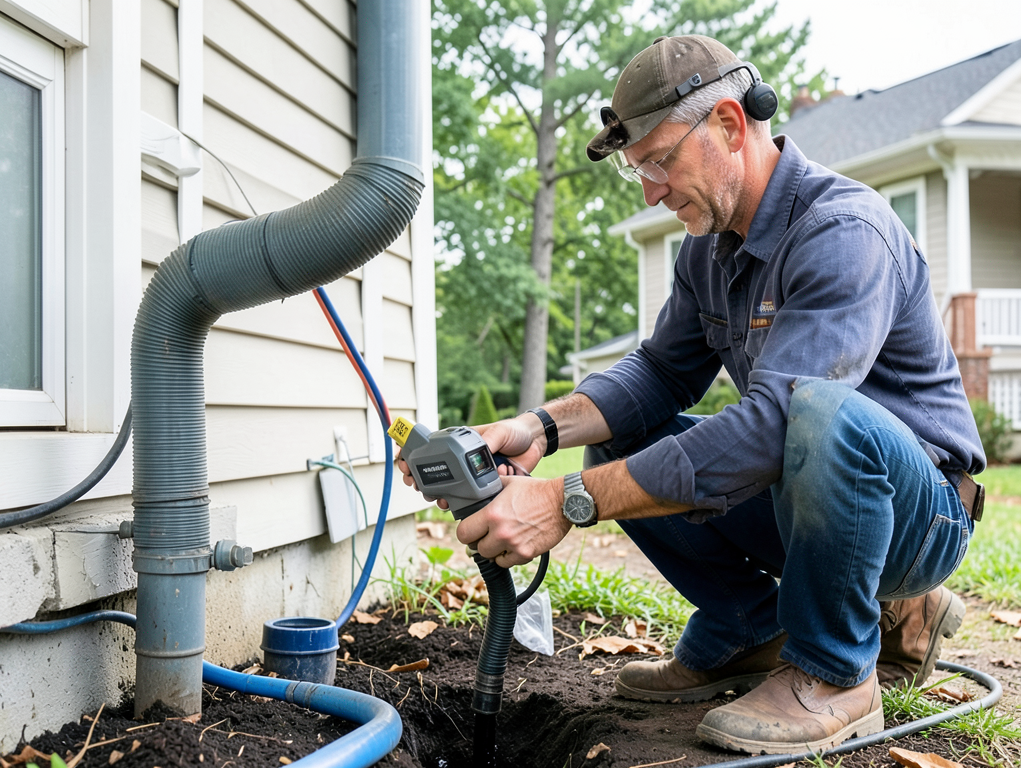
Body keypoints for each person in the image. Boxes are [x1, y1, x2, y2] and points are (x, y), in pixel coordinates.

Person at [401, 35, 986, 755]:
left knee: (817, 411)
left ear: (731, 126)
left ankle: (837, 672)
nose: (650, 189)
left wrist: (563, 500)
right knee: (622, 426)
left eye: (659, 160)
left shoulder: (843, 232)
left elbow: (778, 424)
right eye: (635, 169)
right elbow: (657, 375)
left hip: (916, 513)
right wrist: (540, 429)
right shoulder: (707, 251)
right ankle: (749, 624)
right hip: (804, 495)